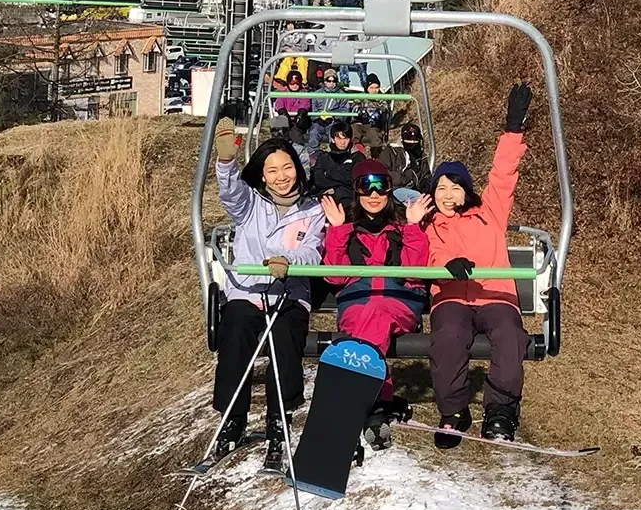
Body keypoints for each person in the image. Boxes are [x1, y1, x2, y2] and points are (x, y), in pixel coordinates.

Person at [212, 119, 326, 470]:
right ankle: (234, 417)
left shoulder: (313, 210)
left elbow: (313, 251)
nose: (281, 176)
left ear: (298, 168)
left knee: (283, 336)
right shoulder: (251, 206)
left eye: (287, 167)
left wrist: (288, 261)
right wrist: (227, 162)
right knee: (235, 330)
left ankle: (280, 418)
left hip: (288, 293)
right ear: (262, 175)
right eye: (272, 170)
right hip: (248, 291)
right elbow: (231, 193)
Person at [425, 84, 533, 447]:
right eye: (441, 188)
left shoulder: (490, 213)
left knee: (508, 335)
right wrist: (444, 264)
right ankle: (453, 410)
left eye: (455, 188)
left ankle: (500, 410)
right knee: (449, 336)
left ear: (466, 191)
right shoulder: (427, 224)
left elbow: (503, 174)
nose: (448, 195)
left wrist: (513, 128)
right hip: (452, 297)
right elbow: (424, 256)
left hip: (495, 294)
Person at [320, 159, 434, 448]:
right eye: (365, 187)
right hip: (358, 305)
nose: (373, 194)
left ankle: (366, 409)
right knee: (369, 318)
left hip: (400, 304)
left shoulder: (400, 230)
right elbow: (334, 277)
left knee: (374, 318)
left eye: (381, 187)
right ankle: (377, 409)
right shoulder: (348, 233)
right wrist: (337, 230)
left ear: (389, 191)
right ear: (356, 192)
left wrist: (412, 226)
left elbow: (415, 269)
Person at [311, 118, 365, 208]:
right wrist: (341, 183)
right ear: (333, 139)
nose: (343, 142)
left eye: (346, 138)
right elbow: (318, 180)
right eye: (339, 138)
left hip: (349, 199)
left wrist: (329, 174)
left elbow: (355, 180)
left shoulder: (357, 157)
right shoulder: (324, 157)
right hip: (326, 198)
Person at [307, 68, 349, 162]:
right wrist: (317, 117)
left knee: (334, 133)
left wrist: (334, 117)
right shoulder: (317, 94)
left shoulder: (342, 95)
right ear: (324, 81)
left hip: (333, 122)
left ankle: (334, 155)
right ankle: (312, 154)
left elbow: (344, 111)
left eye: (334, 81)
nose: (331, 83)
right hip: (319, 121)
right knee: (314, 132)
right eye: (328, 80)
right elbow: (313, 109)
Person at [352, 73, 390, 145]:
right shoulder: (361, 97)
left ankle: (376, 153)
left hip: (373, 125)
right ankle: (355, 150)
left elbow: (385, 108)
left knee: (374, 135)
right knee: (354, 131)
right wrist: (360, 111)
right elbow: (354, 107)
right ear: (367, 88)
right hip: (359, 123)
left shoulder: (381, 99)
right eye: (371, 88)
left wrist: (379, 112)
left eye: (376, 88)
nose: (374, 90)